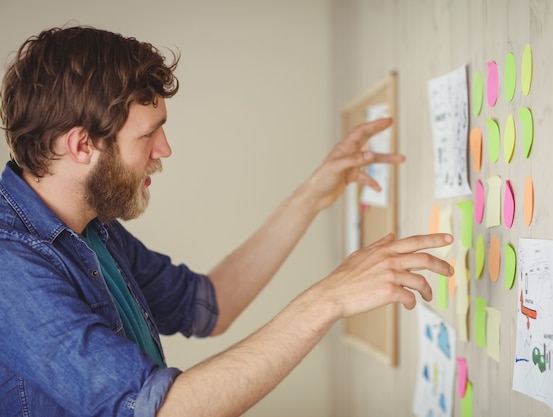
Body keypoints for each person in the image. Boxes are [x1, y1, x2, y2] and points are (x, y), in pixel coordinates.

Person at [0, 26, 454, 417]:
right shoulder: (10, 263)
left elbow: (206, 303)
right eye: (147, 134)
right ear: (82, 146)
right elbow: (161, 409)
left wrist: (312, 196)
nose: (164, 149)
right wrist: (327, 299)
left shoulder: (91, 228)